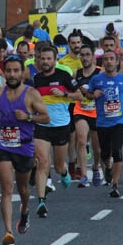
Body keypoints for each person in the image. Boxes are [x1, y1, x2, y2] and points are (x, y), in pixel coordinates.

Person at [0, 56, 49, 245]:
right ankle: (8, 232)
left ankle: (24, 209)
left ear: (22, 72)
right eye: (9, 71)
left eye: (16, 71)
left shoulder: (31, 94)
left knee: (23, 189)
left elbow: (46, 118)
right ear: (4, 72)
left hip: (24, 146)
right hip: (3, 145)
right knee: (6, 189)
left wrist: (28, 116)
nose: (12, 74)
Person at [31, 43, 82, 216]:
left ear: (55, 60)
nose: (45, 61)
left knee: (59, 165)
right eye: (42, 58)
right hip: (42, 126)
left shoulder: (64, 76)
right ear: (38, 60)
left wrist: (65, 95)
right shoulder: (36, 79)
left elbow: (80, 95)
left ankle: (65, 172)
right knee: (43, 163)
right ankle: (41, 201)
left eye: (48, 59)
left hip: (61, 125)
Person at [85, 49, 123, 197]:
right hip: (103, 122)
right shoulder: (96, 80)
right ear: (102, 62)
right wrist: (93, 95)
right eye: (106, 59)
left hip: (119, 120)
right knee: (105, 153)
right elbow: (88, 95)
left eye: (112, 59)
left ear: (117, 62)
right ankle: (108, 167)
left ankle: (115, 185)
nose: (109, 61)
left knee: (117, 150)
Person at [72, 42, 102, 187]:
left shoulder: (100, 72)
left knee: (97, 148)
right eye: (82, 55)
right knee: (82, 141)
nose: (84, 58)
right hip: (80, 110)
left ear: (93, 56)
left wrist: (93, 94)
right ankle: (84, 175)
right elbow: (72, 91)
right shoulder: (76, 74)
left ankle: (96, 167)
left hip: (97, 112)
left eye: (87, 55)